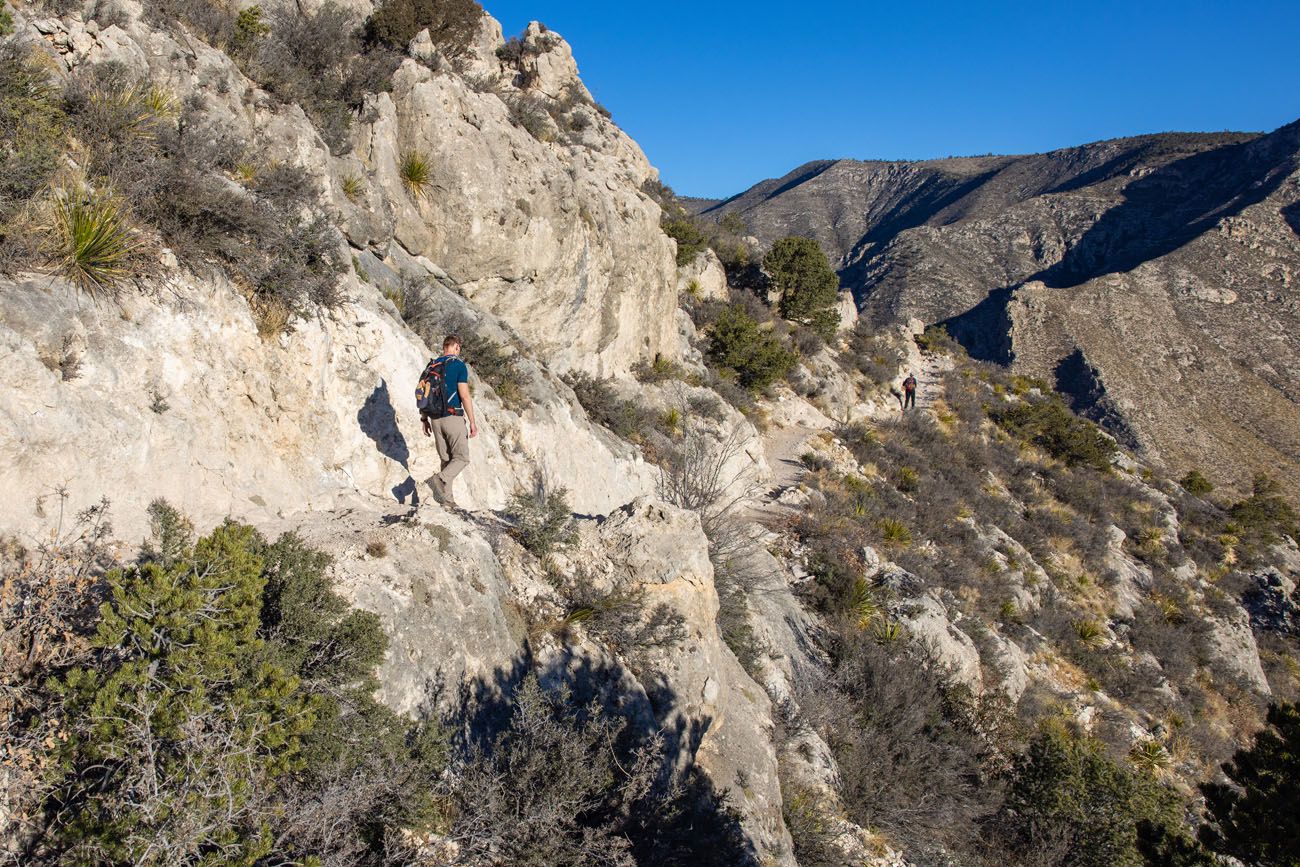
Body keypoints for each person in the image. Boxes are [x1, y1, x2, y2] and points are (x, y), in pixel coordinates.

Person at [421, 334, 478, 507]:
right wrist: (472, 422)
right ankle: (438, 479)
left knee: (446, 460)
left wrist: (424, 419)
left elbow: (423, 392)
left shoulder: (432, 365)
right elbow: (465, 395)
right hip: (452, 417)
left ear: (444, 346)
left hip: (434, 418)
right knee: (461, 458)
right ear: (456, 347)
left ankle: (447, 500)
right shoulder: (458, 365)